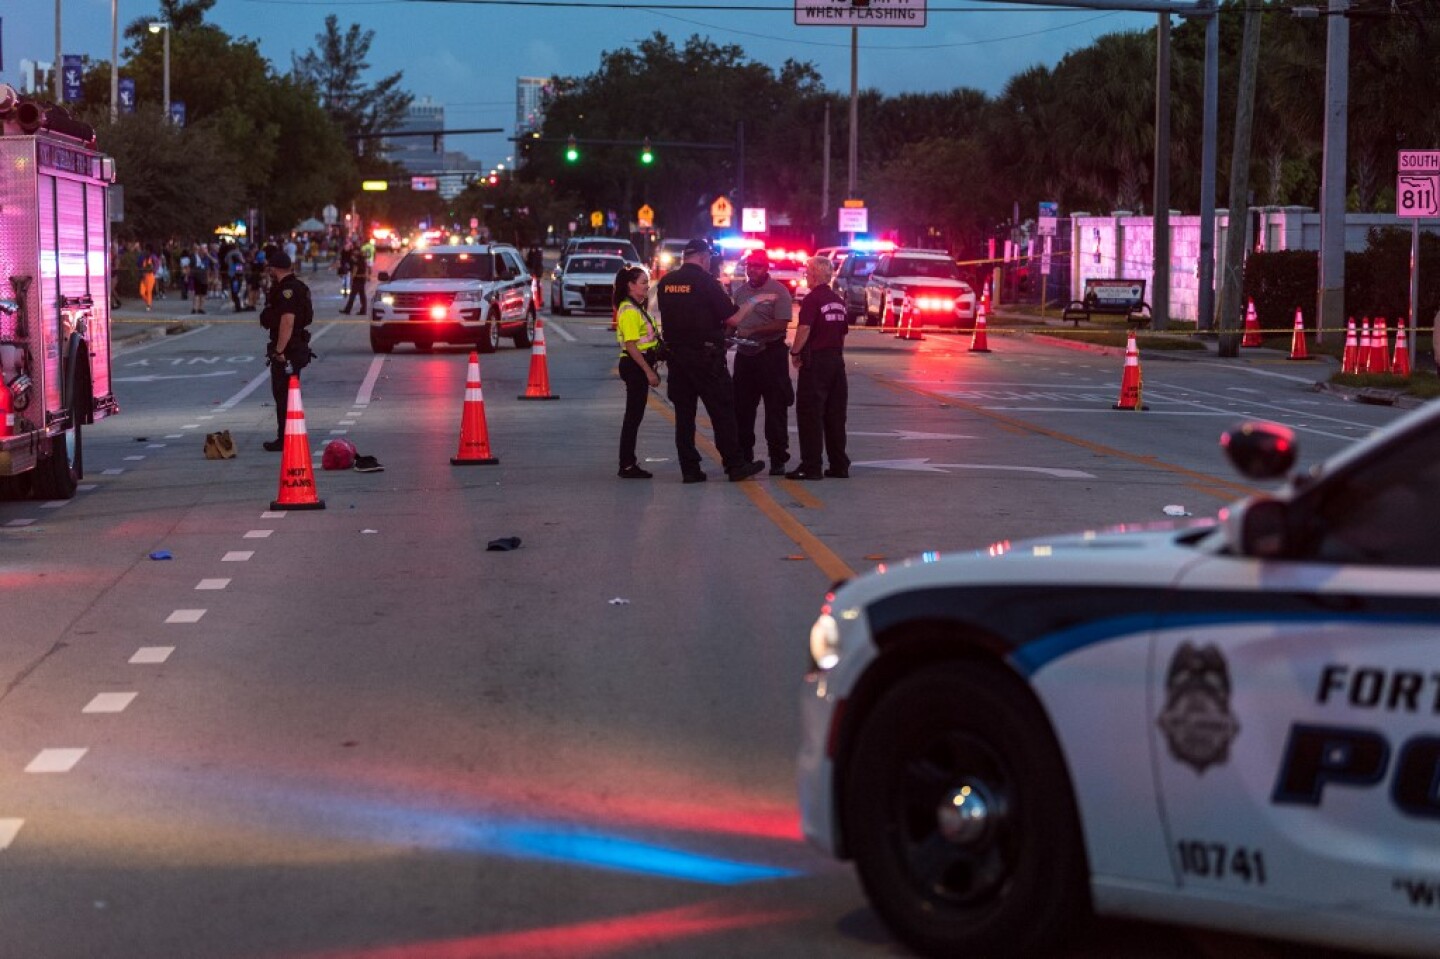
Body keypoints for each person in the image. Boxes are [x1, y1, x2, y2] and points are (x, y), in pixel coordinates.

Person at [654, 238, 774, 484]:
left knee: (684, 416)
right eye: (709, 258)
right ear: (702, 257)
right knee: (722, 411)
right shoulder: (706, 282)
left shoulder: (666, 283)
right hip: (706, 359)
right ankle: (734, 464)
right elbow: (732, 319)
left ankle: (690, 469)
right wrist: (753, 302)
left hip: (677, 358)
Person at [730, 249, 794, 476]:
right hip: (746, 357)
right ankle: (744, 457)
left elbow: (781, 323)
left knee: (775, 410)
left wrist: (753, 331)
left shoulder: (779, 291)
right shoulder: (740, 292)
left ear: (767, 267)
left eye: (757, 266)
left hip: (771, 356)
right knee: (742, 409)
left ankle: (778, 458)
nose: (752, 269)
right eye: (749, 265)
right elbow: (733, 320)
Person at [786, 256, 850, 481]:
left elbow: (804, 329)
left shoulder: (813, 300)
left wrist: (795, 353)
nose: (806, 275)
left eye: (808, 272)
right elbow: (842, 333)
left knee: (810, 414)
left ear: (815, 274)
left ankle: (811, 466)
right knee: (835, 415)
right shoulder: (838, 300)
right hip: (836, 362)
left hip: (817, 363)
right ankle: (839, 464)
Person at [258, 251, 315, 452]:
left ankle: (285, 437)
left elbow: (287, 321)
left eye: (270, 268)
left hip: (289, 350)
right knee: (287, 394)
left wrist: (279, 350)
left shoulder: (287, 290)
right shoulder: (292, 287)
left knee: (283, 394)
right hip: (295, 347)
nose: (269, 272)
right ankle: (288, 434)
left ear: (275, 268)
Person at [613, 265, 662, 479]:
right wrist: (648, 372)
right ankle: (627, 464)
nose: (647, 286)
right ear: (631, 286)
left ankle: (628, 462)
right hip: (635, 366)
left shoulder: (636, 307)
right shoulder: (630, 311)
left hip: (638, 364)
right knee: (633, 417)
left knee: (634, 416)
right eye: (643, 282)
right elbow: (631, 345)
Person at [342, 242, 369, 314]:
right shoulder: (364, 261)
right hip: (362, 279)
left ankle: (347, 310)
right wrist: (366, 277)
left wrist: (351, 279)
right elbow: (366, 270)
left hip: (357, 279)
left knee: (352, 295)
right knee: (362, 296)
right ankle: (363, 310)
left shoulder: (357, 262)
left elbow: (354, 271)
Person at [138, 244, 159, 311]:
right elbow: (139, 264)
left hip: (150, 276)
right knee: (142, 292)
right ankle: (148, 302)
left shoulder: (153, 257)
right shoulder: (143, 257)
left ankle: (149, 305)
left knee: (149, 291)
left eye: (146, 250)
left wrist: (153, 271)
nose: (145, 251)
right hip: (143, 276)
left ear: (149, 250)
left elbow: (157, 265)